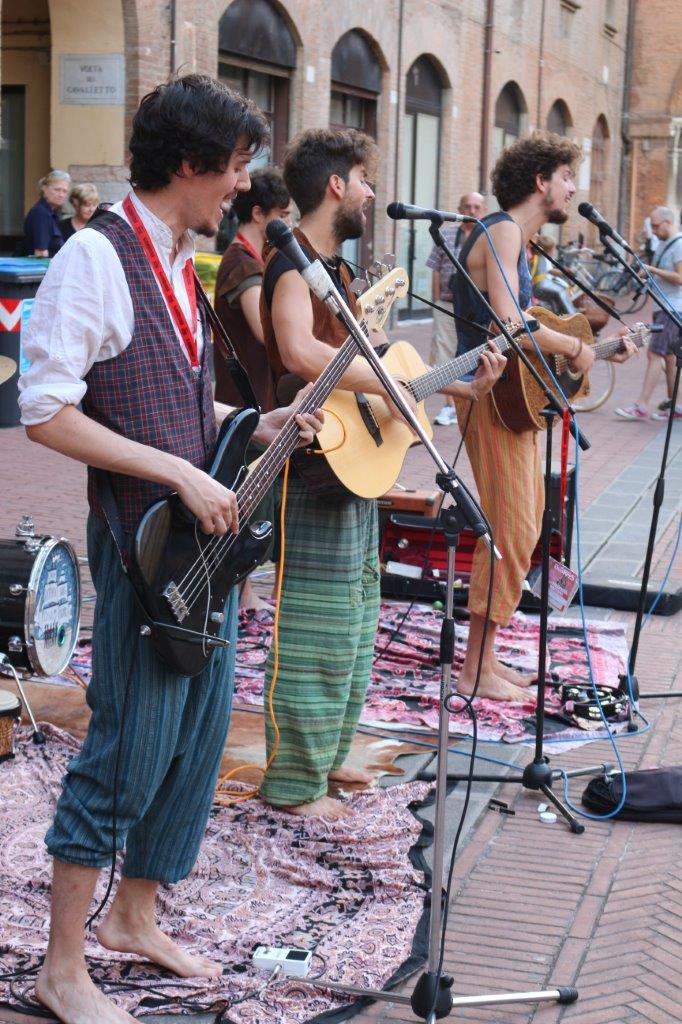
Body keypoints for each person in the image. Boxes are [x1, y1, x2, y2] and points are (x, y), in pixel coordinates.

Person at [18, 74, 323, 1024]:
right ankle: (62, 968)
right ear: (189, 164)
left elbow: (170, 397)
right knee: (129, 747)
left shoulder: (177, 254)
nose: (243, 186)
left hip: (201, 548)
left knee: (194, 741)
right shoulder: (94, 257)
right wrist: (181, 473)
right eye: (235, 167)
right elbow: (46, 411)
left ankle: (134, 918)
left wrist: (250, 420)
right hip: (142, 546)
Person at [258, 129, 503, 818]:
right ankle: (293, 785)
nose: (371, 193)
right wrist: (390, 385)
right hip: (310, 459)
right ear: (336, 184)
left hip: (349, 464)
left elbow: (375, 369)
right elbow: (299, 352)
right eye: (364, 179)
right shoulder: (292, 262)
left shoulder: (336, 272)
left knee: (358, 617)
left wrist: (459, 385)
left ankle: (326, 758)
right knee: (316, 629)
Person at [451, 131, 636, 702]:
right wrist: (575, 347)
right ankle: (474, 671)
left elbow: (529, 323)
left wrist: (596, 348)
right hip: (486, 394)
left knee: (524, 527)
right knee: (509, 530)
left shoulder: (517, 239)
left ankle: (485, 658)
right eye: (566, 177)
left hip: (509, 400)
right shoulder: (502, 229)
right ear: (541, 181)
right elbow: (510, 323)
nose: (573, 188)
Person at [214, 167, 293, 610]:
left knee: (258, 499)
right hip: (240, 402)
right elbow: (265, 332)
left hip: (257, 400)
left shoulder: (254, 259)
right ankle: (241, 594)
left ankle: (246, 592)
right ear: (259, 213)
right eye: (283, 214)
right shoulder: (241, 262)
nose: (287, 222)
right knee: (245, 498)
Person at [615, 205, 682, 421]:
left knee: (655, 354)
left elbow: (680, 278)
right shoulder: (663, 243)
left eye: (655, 226)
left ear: (668, 222)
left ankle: (641, 406)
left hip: (672, 307)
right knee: (669, 357)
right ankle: (676, 405)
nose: (653, 230)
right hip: (663, 306)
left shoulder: (679, 244)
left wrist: (652, 270)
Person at [426, 191, 486, 425]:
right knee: (445, 353)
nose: (472, 211)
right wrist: (437, 302)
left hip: (475, 308)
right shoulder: (446, 234)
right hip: (447, 304)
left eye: (477, 207)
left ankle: (469, 403)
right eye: (467, 206)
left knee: (473, 355)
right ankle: (450, 406)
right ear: (460, 209)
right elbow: (436, 268)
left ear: (483, 210)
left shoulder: (487, 236)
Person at [17, 170, 71, 257]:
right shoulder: (41, 213)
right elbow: (41, 253)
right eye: (57, 190)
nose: (61, 195)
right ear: (44, 189)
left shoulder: (52, 213)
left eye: (64, 191)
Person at [531, 233, 576, 315]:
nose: (555, 250)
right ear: (548, 250)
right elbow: (551, 271)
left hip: (543, 283)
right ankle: (570, 313)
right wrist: (565, 271)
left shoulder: (542, 258)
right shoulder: (542, 258)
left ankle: (558, 313)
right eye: (553, 249)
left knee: (556, 296)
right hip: (541, 285)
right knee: (560, 291)